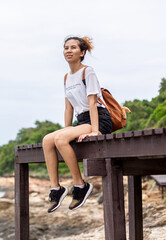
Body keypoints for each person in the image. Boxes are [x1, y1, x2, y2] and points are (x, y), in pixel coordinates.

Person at [43, 36, 112, 213]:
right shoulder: (67, 77)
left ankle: (80, 185)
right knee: (47, 140)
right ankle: (56, 189)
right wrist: (67, 129)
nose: (68, 50)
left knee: (60, 139)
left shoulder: (87, 72)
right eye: (66, 47)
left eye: (73, 47)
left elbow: (92, 103)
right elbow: (68, 108)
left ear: (82, 53)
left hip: (98, 118)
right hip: (81, 120)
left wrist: (96, 131)